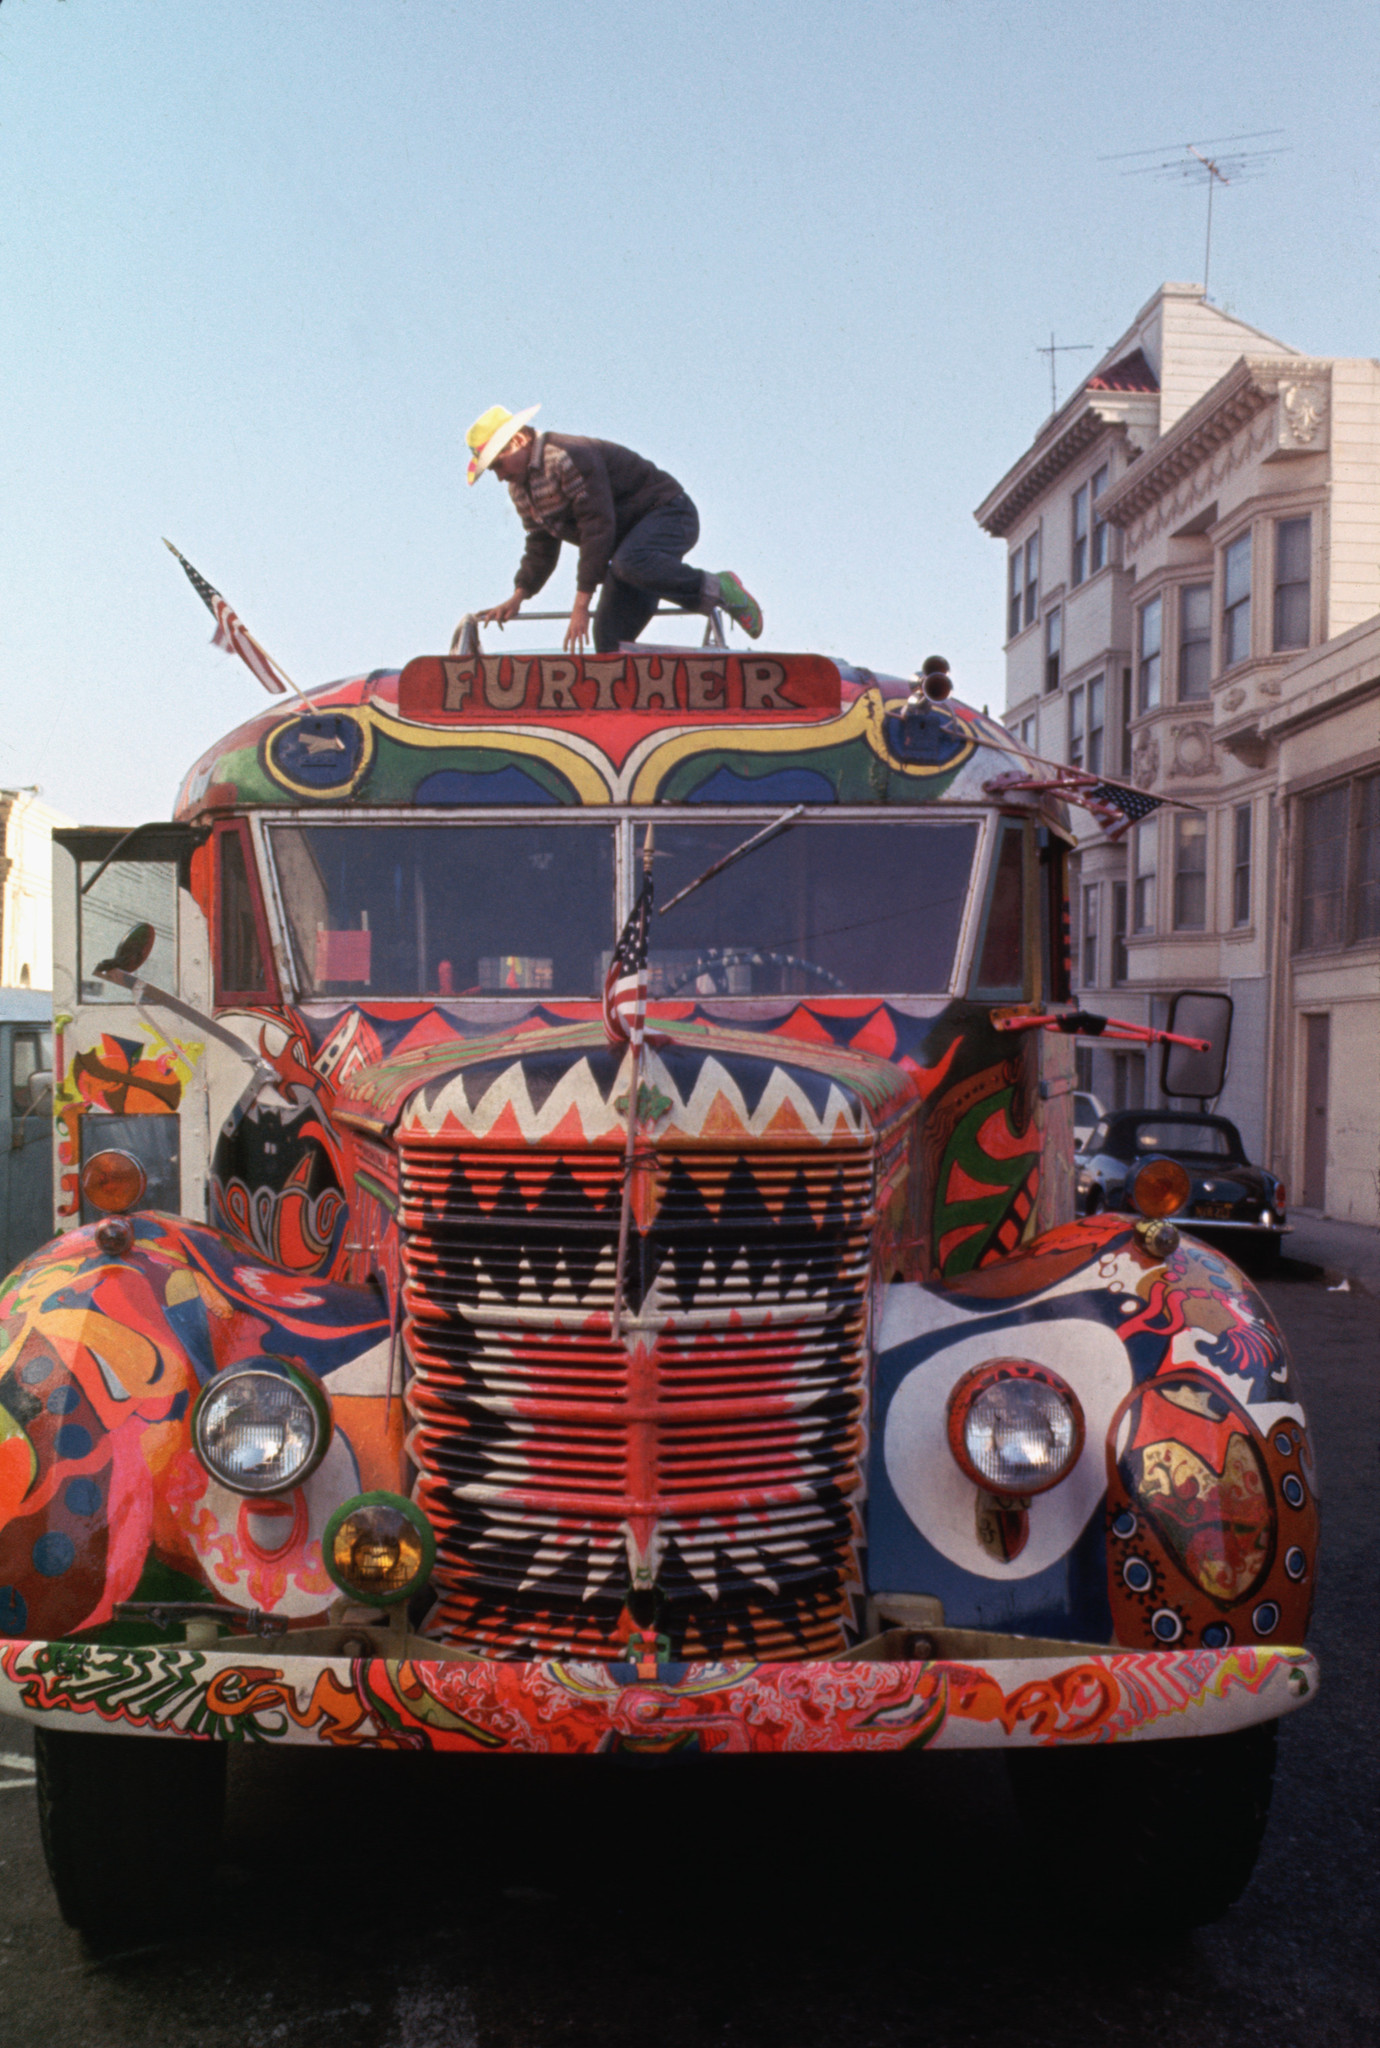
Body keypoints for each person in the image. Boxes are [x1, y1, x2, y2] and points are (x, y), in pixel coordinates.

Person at [462, 405, 762, 656]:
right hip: (627, 552)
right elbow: (541, 543)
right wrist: (519, 595)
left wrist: (581, 604)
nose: (500, 477)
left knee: (630, 562)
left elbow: (597, 527)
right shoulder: (520, 488)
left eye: (498, 465)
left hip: (670, 513)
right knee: (608, 641)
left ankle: (720, 588)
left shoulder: (567, 455)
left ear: (516, 441)